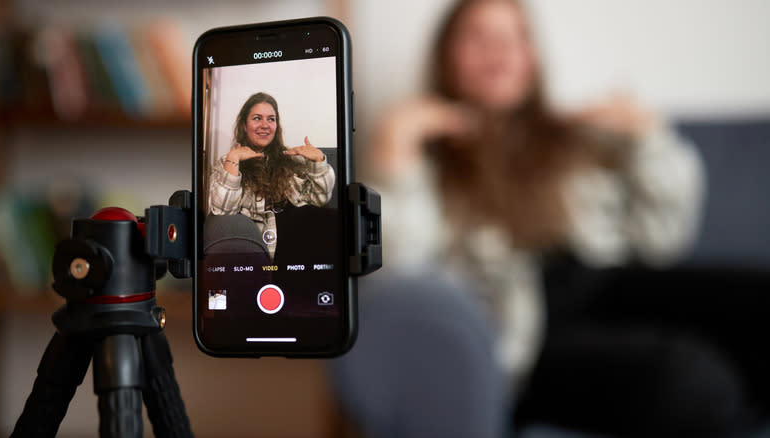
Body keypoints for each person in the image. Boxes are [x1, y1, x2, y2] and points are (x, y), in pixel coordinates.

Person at [332, 0, 762, 437]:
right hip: (527, 329)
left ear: (531, 57)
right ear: (446, 56)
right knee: (687, 379)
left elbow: (660, 245)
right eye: (478, 36)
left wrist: (649, 141)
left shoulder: (577, 142)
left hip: (605, 282)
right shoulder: (427, 159)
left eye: (513, 36)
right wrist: (396, 154)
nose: (497, 49)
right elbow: (399, 272)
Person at [209, 92, 335, 258]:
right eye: (257, 118)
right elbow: (222, 212)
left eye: (271, 119)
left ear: (277, 126)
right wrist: (234, 159)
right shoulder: (228, 162)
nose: (265, 125)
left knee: (335, 220)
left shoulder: (290, 158)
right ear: (244, 125)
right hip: (259, 238)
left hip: (296, 233)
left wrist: (318, 162)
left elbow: (320, 199)